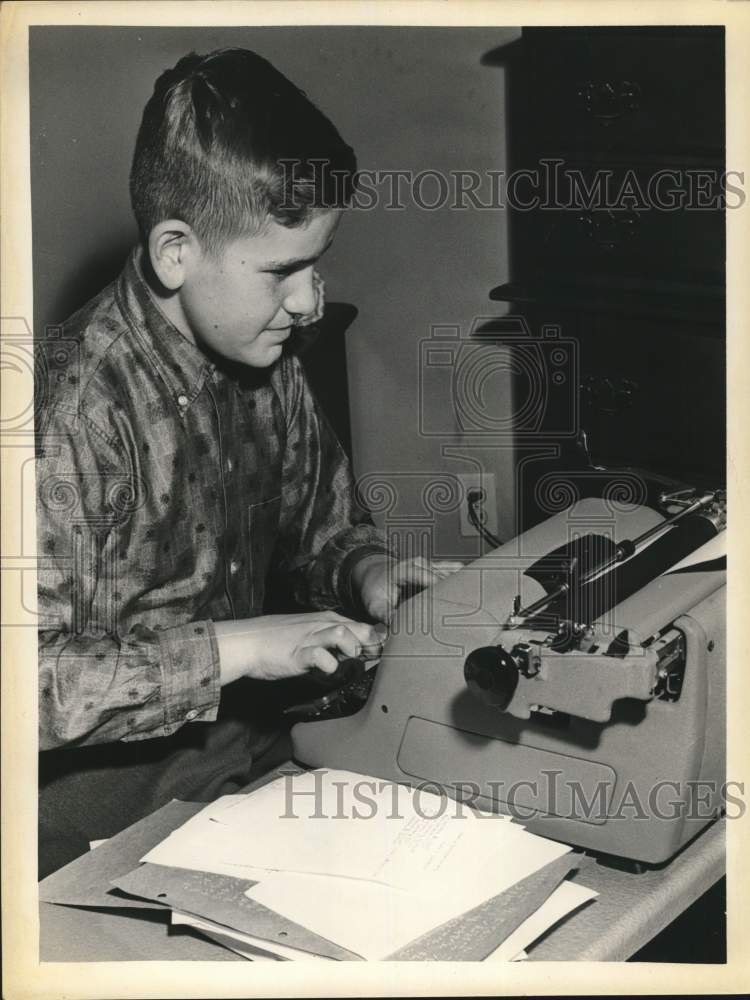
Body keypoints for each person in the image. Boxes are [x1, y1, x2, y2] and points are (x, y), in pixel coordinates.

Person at [36, 48, 454, 876]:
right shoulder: (66, 412)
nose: (308, 303)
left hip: (248, 756)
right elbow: (30, 684)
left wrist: (365, 570)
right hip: (87, 821)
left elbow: (322, 529)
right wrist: (241, 648)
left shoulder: (268, 357)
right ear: (175, 252)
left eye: (316, 262)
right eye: (281, 271)